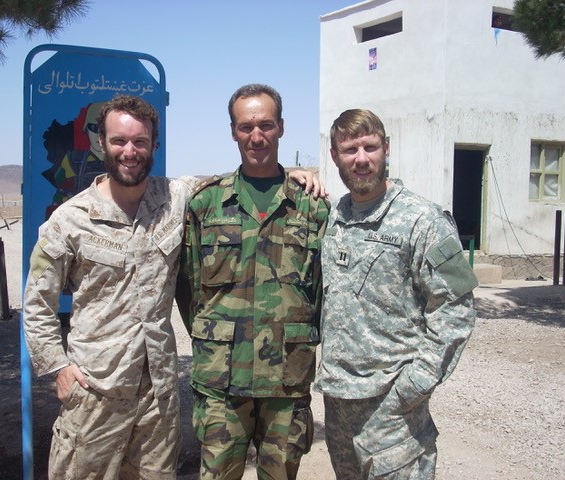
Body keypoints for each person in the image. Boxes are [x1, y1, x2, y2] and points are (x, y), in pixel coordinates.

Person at [23, 94, 323, 479]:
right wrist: (58, 367)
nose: (129, 151)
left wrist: (296, 173)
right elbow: (37, 305)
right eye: (119, 141)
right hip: (97, 392)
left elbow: (248, 177)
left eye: (140, 142)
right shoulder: (69, 220)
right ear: (102, 144)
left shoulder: (175, 198)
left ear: (154, 145)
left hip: (158, 397)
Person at [176, 84, 330, 479]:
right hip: (221, 381)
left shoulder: (311, 205)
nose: (256, 136)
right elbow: (188, 287)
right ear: (233, 131)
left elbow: (322, 289)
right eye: (246, 127)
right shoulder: (205, 203)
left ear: (281, 128)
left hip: (286, 379)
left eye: (266, 125)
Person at [315, 109, 478, 479]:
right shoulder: (335, 217)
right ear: (334, 156)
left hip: (393, 409)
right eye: (349, 149)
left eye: (370, 147)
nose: (361, 159)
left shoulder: (424, 219)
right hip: (338, 403)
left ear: (386, 149)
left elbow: (455, 308)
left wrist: (414, 385)